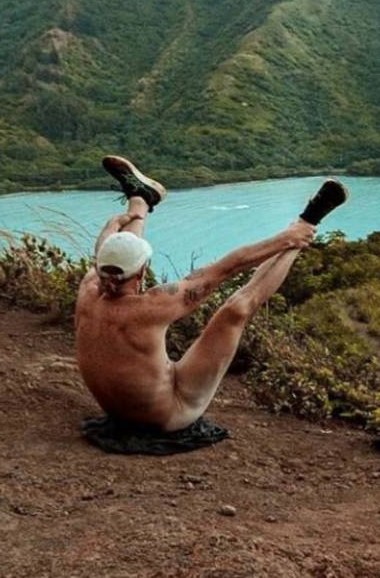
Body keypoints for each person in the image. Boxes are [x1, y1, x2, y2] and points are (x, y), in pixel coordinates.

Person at [75, 156, 348, 432]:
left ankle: (141, 197)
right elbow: (227, 268)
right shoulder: (153, 306)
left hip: (118, 411)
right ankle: (305, 226)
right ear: (143, 271)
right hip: (171, 413)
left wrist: (114, 226)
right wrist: (286, 237)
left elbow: (110, 253)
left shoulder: (88, 290)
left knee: (122, 254)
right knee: (236, 311)